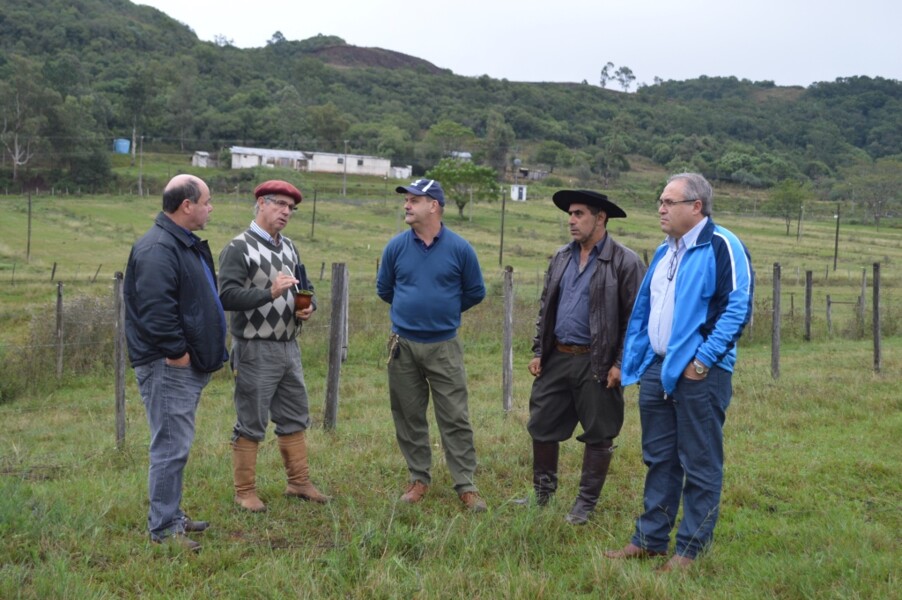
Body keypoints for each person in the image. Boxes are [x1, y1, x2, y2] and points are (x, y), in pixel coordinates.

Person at [605, 173, 754, 572]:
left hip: (700, 373)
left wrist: (702, 361)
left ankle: (689, 550)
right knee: (659, 458)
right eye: (660, 201)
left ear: (696, 207)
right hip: (659, 367)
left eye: (669, 202)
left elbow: (737, 307)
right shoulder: (664, 250)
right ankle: (650, 540)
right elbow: (646, 312)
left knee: (700, 461)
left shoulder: (723, 245)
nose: (661, 208)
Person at [524, 190, 644, 524]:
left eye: (579, 214)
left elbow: (636, 319)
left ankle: (584, 505)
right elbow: (546, 307)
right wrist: (539, 351)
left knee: (599, 431)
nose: (571, 221)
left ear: (600, 217)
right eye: (570, 215)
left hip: (599, 361)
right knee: (542, 425)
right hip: (558, 355)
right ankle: (543, 496)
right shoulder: (562, 256)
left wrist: (621, 363)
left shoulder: (625, 261)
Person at [124, 174, 228, 552]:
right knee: (170, 445)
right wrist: (177, 352)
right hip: (169, 365)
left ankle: (172, 515)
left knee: (176, 443)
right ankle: (164, 529)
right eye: (207, 201)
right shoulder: (158, 248)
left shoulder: (179, 243)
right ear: (187, 205)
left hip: (183, 363)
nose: (210, 207)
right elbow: (156, 310)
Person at [218, 179, 330, 513]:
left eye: (290, 208)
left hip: (288, 346)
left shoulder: (290, 248)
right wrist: (269, 293)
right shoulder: (239, 248)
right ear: (261, 204)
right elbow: (226, 296)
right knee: (251, 419)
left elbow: (304, 287)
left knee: (295, 414)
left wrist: (309, 306)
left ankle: (298, 482)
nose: (286, 212)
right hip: (254, 348)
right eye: (279, 204)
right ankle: (245, 491)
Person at [376, 178, 488, 512]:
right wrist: (413, 310)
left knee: (454, 416)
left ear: (433, 206)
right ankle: (418, 479)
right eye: (406, 200)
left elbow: (475, 292)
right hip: (404, 345)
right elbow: (385, 289)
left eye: (414, 200)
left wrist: (444, 311)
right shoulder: (396, 247)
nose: (407, 205)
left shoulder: (460, 249)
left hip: (444, 346)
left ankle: (466, 485)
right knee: (408, 415)